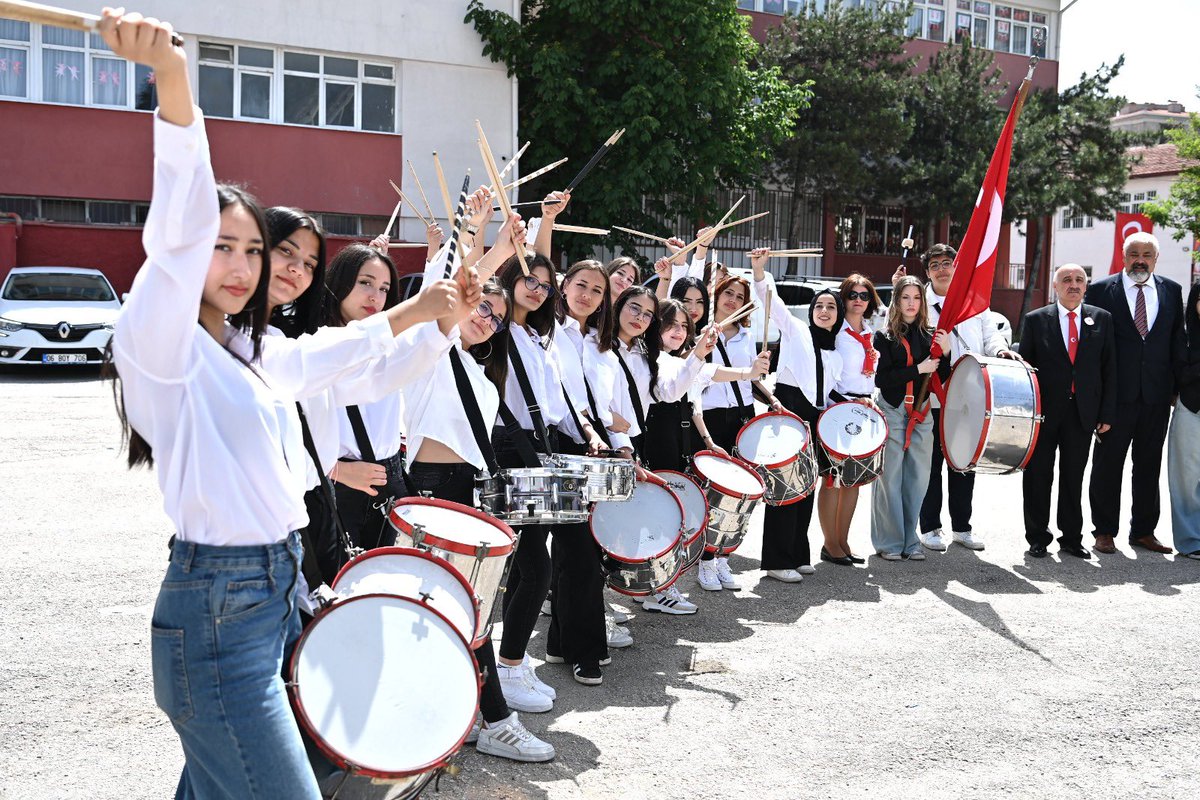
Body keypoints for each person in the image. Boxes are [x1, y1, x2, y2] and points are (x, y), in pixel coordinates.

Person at [100, 12, 460, 796]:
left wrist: (424, 309)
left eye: (250, 250)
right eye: (219, 247)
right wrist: (172, 81)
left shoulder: (244, 348)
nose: (239, 264)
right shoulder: (160, 344)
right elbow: (180, 219)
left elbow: (332, 355)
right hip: (218, 612)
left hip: (267, 591)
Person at [402, 261, 557, 762]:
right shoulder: (436, 348)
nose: (489, 318)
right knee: (459, 607)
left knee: (468, 607)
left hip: (464, 486)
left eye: (497, 316)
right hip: (429, 486)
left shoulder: (478, 370)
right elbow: (442, 284)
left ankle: (468, 711)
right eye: (483, 306)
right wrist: (482, 234)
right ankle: (494, 719)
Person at [896, 244, 1019, 553]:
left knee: (964, 461)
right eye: (934, 264)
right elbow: (897, 332)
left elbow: (990, 336)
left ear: (956, 267)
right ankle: (931, 527)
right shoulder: (918, 301)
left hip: (969, 395)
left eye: (947, 263)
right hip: (931, 393)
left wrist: (1001, 350)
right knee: (931, 462)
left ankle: (962, 527)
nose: (942, 269)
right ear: (927, 272)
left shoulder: (973, 300)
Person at [1084, 232, 1187, 555]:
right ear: (1124, 255)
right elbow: (1093, 349)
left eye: (1147, 254)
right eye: (1133, 254)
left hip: (1156, 397)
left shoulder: (1171, 290)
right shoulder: (1101, 290)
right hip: (1115, 398)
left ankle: (1143, 531)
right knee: (1107, 465)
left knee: (1148, 465)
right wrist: (1097, 398)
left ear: (1156, 259)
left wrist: (1175, 390)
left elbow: (1175, 343)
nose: (1140, 260)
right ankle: (1104, 531)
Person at [751, 249, 845, 582]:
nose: (823, 310)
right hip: (788, 410)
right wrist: (760, 272)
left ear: (839, 314)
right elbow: (771, 302)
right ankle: (776, 561)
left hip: (815, 418)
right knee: (784, 488)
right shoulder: (795, 330)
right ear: (810, 311)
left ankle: (797, 553)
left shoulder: (836, 351)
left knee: (806, 487)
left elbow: (831, 391)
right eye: (819, 305)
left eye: (831, 306)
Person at [1018, 265, 1117, 559]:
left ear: (1086, 286)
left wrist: (1106, 414)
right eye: (1066, 280)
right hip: (1045, 413)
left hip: (1083, 413)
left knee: (1073, 477)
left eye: (1079, 280)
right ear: (1055, 286)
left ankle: (1072, 538)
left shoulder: (1102, 319)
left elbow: (1109, 369)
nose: (1073, 285)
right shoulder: (1036, 320)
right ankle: (1037, 536)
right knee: (1038, 476)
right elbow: (1027, 369)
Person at [696, 273, 775, 591]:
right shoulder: (701, 332)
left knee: (740, 495)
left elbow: (750, 379)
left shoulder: (745, 336)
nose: (732, 300)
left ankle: (723, 556)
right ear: (716, 295)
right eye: (728, 293)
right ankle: (704, 560)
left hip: (741, 417)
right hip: (710, 418)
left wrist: (772, 399)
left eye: (739, 297)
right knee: (711, 494)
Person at [871, 276, 950, 560]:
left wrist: (947, 353)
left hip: (922, 413)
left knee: (917, 478)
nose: (912, 303)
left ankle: (910, 539)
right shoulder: (884, 336)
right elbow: (883, 379)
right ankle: (889, 542)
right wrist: (919, 368)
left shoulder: (930, 336)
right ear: (896, 300)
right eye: (906, 297)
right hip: (892, 409)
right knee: (890, 477)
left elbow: (940, 376)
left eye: (917, 297)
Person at [818, 274, 882, 566]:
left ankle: (842, 541)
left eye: (864, 295)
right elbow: (827, 375)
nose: (858, 300)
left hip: (865, 408)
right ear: (843, 299)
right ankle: (829, 543)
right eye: (852, 295)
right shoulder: (835, 332)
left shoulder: (871, 332)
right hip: (838, 407)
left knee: (853, 481)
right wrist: (848, 402)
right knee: (832, 479)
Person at [1168, 280, 1200, 559]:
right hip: (1190, 410)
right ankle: (1191, 541)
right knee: (1186, 481)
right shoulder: (1184, 335)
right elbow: (1182, 374)